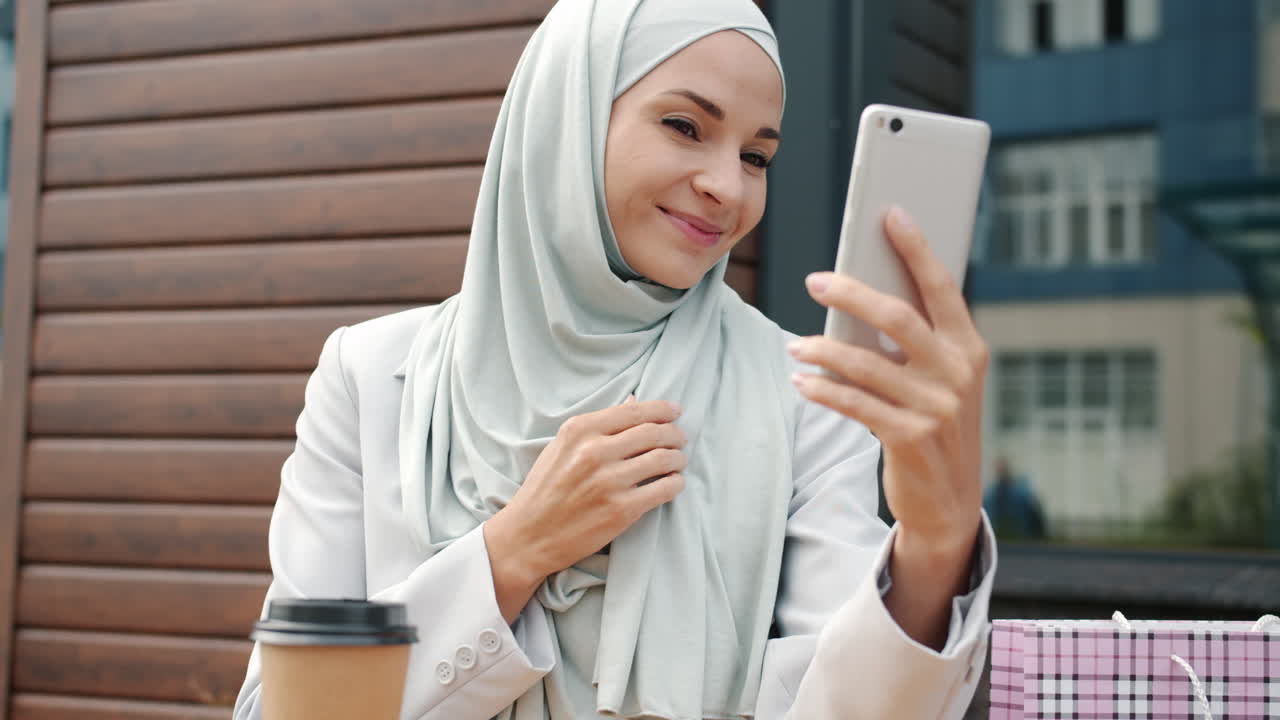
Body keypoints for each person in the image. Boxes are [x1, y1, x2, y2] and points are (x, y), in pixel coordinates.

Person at [233, 0, 997, 717]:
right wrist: (514, 550)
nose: (727, 186)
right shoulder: (370, 379)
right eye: (685, 125)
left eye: (758, 156)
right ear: (567, 117)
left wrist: (934, 544)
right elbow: (283, 707)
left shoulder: (805, 395)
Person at [983, 457, 1047, 540]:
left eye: (1003, 470)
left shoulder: (1021, 495)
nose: (1002, 473)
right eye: (1000, 470)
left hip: (1021, 538)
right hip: (1000, 538)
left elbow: (1034, 519)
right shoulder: (991, 496)